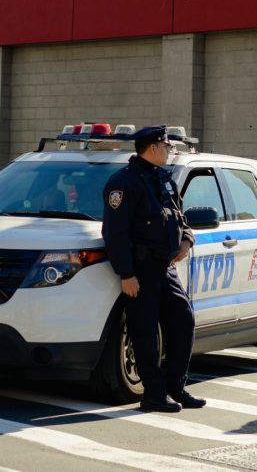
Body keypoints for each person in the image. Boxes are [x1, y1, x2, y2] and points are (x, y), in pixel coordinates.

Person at [101, 125, 202, 413]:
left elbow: (180, 216)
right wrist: (126, 273)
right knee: (144, 332)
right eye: (167, 146)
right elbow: (115, 233)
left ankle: (176, 387)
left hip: (165, 267)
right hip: (140, 270)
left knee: (183, 320)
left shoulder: (163, 179)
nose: (169, 151)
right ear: (154, 147)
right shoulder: (124, 183)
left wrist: (186, 239)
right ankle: (154, 395)